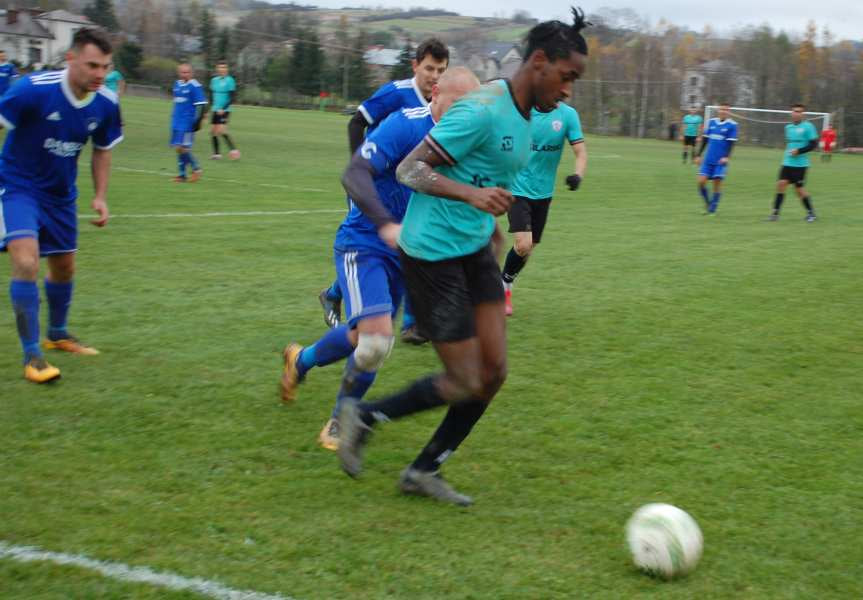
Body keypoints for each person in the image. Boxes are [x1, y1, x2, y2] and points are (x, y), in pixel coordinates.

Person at [335, 8, 590, 506]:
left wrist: (493, 228)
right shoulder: (481, 109)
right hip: (430, 257)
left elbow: (494, 176)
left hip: (474, 251)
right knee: (465, 378)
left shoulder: (524, 116)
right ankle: (364, 416)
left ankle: (422, 471)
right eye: (567, 77)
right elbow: (411, 170)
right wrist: (471, 198)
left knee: (493, 374)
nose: (567, 92)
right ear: (539, 62)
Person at [280, 68, 480, 451]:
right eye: (457, 105)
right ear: (435, 93)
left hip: (411, 255)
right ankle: (343, 419)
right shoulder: (404, 126)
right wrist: (386, 225)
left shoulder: (459, 142)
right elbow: (354, 174)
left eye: (469, 110)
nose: (462, 117)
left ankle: (300, 360)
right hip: (364, 244)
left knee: (362, 338)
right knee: (375, 343)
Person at [0, 28, 123, 383]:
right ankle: (32, 356)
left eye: (106, 67)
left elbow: (102, 149)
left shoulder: (106, 103)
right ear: (70, 59)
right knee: (25, 260)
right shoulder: (32, 90)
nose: (100, 74)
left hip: (60, 195)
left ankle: (57, 334)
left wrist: (100, 196)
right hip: (18, 186)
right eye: (92, 65)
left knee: (65, 267)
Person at [319, 38, 449, 344]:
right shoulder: (396, 94)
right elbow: (357, 122)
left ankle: (409, 324)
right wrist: (359, 165)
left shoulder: (442, 102)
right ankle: (344, 298)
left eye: (441, 70)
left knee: (403, 248)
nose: (434, 75)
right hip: (372, 184)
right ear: (415, 65)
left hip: (408, 190)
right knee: (372, 244)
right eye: (429, 68)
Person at [501, 100, 587, 316]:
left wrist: (578, 175)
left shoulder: (567, 115)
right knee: (523, 244)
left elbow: (580, 152)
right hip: (517, 188)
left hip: (543, 193)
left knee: (529, 248)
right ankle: (503, 286)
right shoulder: (522, 110)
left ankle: (507, 282)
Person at [767, 103, 819, 222]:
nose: (796, 113)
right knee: (781, 185)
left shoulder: (808, 126)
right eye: (794, 111)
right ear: (791, 113)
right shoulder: (788, 128)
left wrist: (799, 151)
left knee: (799, 190)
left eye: (799, 111)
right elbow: (790, 144)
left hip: (800, 165)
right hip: (787, 162)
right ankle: (775, 214)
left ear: (803, 114)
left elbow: (813, 144)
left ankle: (811, 213)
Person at [694, 103, 737, 215]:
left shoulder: (732, 125)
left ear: (729, 111)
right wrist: (698, 155)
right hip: (708, 160)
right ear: (718, 110)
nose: (723, 111)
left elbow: (732, 143)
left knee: (717, 183)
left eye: (726, 110)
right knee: (701, 182)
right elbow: (705, 140)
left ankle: (712, 209)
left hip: (720, 161)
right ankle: (708, 203)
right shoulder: (712, 122)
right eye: (722, 109)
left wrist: (726, 157)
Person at [170, 63, 207, 183]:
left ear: (191, 73)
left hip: (187, 122)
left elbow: (201, 105)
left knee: (183, 148)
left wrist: (198, 122)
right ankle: (182, 175)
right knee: (178, 148)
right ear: (178, 73)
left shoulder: (195, 86)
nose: (184, 74)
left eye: (187, 72)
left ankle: (196, 168)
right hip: (176, 120)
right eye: (182, 72)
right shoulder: (176, 84)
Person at [209, 60, 240, 160]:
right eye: (220, 67)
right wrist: (211, 107)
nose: (222, 69)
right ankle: (217, 154)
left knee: (222, 130)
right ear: (217, 69)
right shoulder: (214, 80)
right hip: (215, 109)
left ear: (227, 69)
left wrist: (223, 108)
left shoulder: (230, 80)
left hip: (225, 110)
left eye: (224, 67)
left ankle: (234, 150)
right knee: (213, 131)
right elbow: (211, 95)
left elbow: (232, 97)